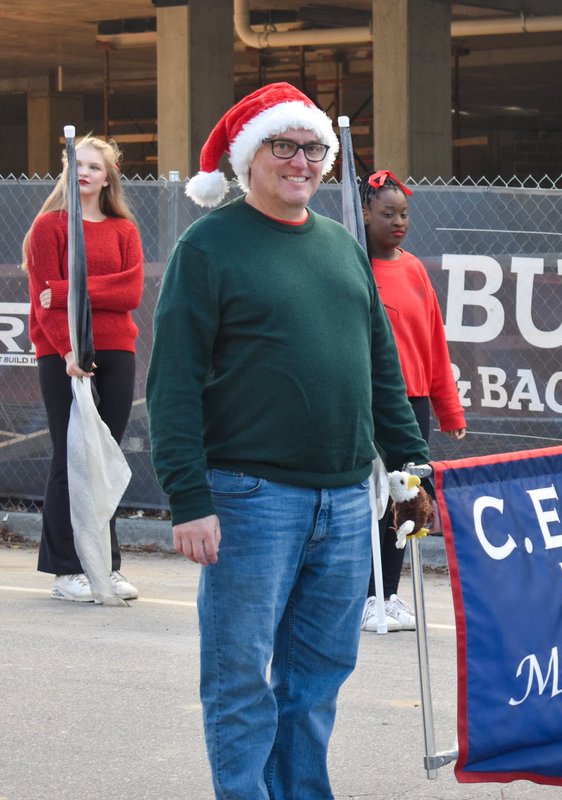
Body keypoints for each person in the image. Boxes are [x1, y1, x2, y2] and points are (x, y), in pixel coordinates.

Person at [145, 82, 430, 799]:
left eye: (312, 149)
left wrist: (412, 472)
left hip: (343, 501)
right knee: (240, 680)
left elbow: (380, 370)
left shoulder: (341, 246)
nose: (300, 161)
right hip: (248, 499)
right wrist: (188, 498)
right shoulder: (207, 247)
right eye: (283, 146)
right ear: (250, 159)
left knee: (316, 680)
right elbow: (173, 382)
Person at [20, 135, 143, 603]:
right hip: (64, 357)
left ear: (108, 175)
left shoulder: (123, 230)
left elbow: (130, 293)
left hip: (117, 352)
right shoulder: (49, 227)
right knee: (70, 457)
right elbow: (43, 301)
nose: (86, 172)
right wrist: (69, 351)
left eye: (95, 166)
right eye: (79, 165)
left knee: (104, 458)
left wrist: (72, 286)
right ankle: (68, 569)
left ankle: (105, 566)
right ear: (68, 172)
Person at [358, 170, 466, 633]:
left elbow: (433, 343)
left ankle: (390, 594)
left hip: (413, 403)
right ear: (364, 214)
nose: (398, 222)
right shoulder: (353, 265)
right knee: (368, 500)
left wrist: (449, 409)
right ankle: (363, 596)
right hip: (365, 400)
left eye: (403, 213)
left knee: (406, 501)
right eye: (387, 213)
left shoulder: (416, 269)